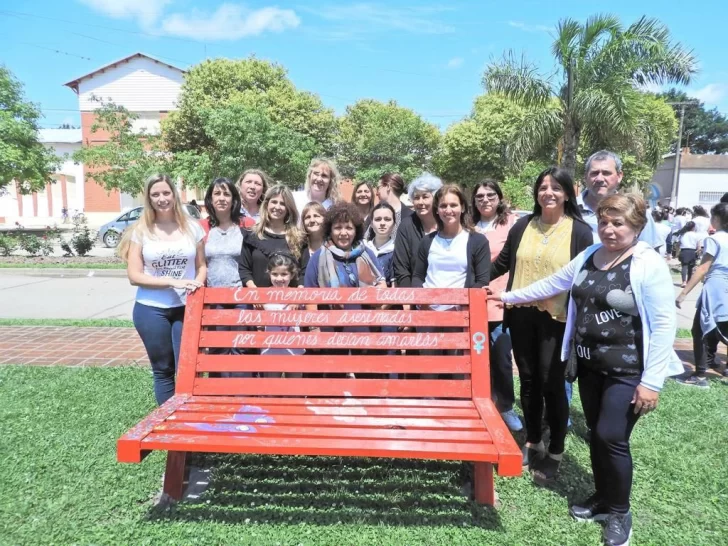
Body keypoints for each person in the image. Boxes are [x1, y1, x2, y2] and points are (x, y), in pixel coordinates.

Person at [500, 193, 682, 546]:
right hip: (589, 366)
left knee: (610, 436)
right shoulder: (589, 256)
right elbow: (553, 284)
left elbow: (663, 325)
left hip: (628, 371)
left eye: (619, 223)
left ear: (637, 226)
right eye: (604, 222)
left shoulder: (648, 263)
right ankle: (602, 497)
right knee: (599, 433)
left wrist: (651, 383)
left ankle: (620, 513)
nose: (609, 230)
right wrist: (507, 298)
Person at [491, 166, 593, 482]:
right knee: (530, 383)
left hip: (557, 320)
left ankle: (556, 450)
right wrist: (472, 283)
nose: (548, 192)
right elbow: (503, 263)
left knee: (553, 385)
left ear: (566, 194)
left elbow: (584, 280)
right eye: (542, 187)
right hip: (522, 316)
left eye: (555, 188)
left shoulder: (580, 231)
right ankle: (534, 440)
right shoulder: (523, 226)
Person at [119, 174, 206, 406]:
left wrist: (197, 284)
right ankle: (170, 432)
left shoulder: (192, 228)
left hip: (186, 308)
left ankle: (189, 422)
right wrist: (172, 281)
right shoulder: (141, 231)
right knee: (163, 370)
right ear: (148, 198)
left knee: (188, 369)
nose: (162, 198)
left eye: (166, 193)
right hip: (151, 309)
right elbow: (134, 276)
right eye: (155, 194)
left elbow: (201, 266)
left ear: (174, 195)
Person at [471, 179, 522, 432]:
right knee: (473, 357)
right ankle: (476, 402)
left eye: (490, 195)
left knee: (500, 355)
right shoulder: (468, 226)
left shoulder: (510, 224)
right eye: (479, 196)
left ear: (499, 198)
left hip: (499, 300)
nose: (485, 200)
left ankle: (505, 406)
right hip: (471, 301)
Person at [676, 203, 728, 387]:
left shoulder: (714, 239)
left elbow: (703, 268)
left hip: (715, 287)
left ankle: (699, 376)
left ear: (716, 219)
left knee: (700, 330)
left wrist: (683, 293)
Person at [412, 183, 490, 293]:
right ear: (437, 210)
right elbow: (417, 277)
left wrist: (463, 304)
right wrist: (424, 303)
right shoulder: (427, 241)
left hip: (462, 308)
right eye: (443, 206)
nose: (448, 210)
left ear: (462, 207)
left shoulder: (478, 241)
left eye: (453, 205)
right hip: (428, 307)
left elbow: (482, 281)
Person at [578, 150, 661, 248]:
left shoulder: (636, 211)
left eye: (606, 173)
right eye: (594, 173)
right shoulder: (567, 209)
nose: (599, 179)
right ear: (585, 176)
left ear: (619, 176)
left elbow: (651, 253)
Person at [304, 202, 386, 291]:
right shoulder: (317, 258)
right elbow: (310, 297)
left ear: (356, 231)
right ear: (330, 231)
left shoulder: (368, 253)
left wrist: (376, 293)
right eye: (338, 228)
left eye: (349, 228)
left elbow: (382, 286)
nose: (343, 233)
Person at [238, 185, 304, 289]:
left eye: (282, 204)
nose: (277, 207)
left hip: (291, 302)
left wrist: (296, 300)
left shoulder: (298, 237)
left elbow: (304, 272)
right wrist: (255, 295)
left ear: (288, 208)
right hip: (257, 301)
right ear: (266, 204)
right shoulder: (252, 235)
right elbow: (244, 269)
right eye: (274, 202)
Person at [392, 173, 442, 288]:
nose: (420, 202)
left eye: (425, 197)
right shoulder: (406, 226)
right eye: (416, 197)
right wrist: (409, 298)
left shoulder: (447, 223)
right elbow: (401, 267)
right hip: (415, 293)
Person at [261, 253, 305, 366]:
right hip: (270, 347)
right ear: (269, 274)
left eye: (284, 274)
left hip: (293, 346)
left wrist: (298, 302)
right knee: (272, 381)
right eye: (275, 274)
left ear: (291, 275)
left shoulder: (297, 295)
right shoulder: (263, 295)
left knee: (294, 380)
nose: (279, 278)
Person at [201, 178, 244, 287]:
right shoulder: (200, 227)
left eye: (226, 194)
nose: (221, 198)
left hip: (242, 297)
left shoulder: (247, 225)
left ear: (233, 199)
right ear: (211, 199)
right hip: (210, 297)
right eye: (217, 193)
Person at [364, 202, 396, 287]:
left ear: (394, 224)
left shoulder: (397, 251)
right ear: (371, 224)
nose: (382, 223)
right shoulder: (363, 249)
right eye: (378, 219)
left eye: (387, 219)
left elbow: (395, 288)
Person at [375, 172, 414, 236]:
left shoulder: (412, 218)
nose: (377, 193)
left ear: (387, 187)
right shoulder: (374, 214)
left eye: (378, 188)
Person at [300, 201, 326, 272]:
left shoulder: (333, 244)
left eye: (316, 216)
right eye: (307, 217)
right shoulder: (299, 248)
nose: (312, 220)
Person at [675, 221, 701, 287]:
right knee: (690, 268)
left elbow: (678, 244)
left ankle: (684, 282)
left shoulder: (682, 234)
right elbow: (699, 246)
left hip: (684, 251)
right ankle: (689, 282)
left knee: (684, 267)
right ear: (693, 227)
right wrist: (698, 252)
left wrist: (677, 253)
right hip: (692, 251)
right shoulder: (696, 235)